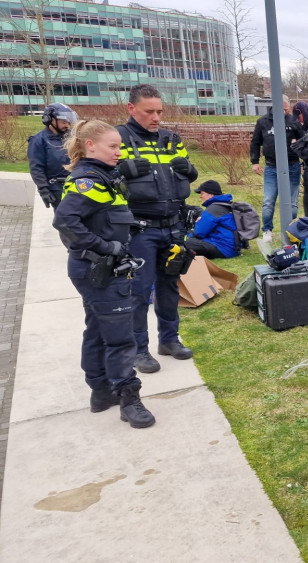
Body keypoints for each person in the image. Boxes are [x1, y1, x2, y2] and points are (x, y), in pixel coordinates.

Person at [52, 119, 155, 429]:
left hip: (93, 269)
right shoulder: (89, 179)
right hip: (100, 269)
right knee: (121, 339)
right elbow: (66, 221)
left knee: (97, 329)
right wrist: (107, 247)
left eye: (120, 146)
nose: (118, 152)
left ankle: (100, 392)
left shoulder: (100, 176)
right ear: (90, 146)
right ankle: (128, 399)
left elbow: (100, 216)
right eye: (113, 146)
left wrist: (126, 228)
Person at [116, 84, 199, 374]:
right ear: (131, 109)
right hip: (140, 229)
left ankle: (169, 340)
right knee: (138, 291)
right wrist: (121, 171)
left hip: (173, 226)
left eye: (159, 111)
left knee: (169, 286)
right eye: (149, 111)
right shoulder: (119, 137)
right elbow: (100, 173)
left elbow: (190, 169)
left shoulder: (170, 138)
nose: (156, 117)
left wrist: (190, 170)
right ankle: (139, 349)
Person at [251, 94, 303, 243]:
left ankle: (290, 230)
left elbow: (303, 138)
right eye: (285, 110)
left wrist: (297, 144)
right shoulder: (263, 122)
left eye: (288, 110)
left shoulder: (293, 121)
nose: (287, 112)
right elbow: (255, 142)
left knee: (293, 202)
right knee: (269, 200)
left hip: (292, 165)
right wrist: (255, 161)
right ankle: (267, 230)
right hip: (272, 167)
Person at [28, 103, 78, 211]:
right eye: (64, 122)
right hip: (57, 187)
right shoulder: (38, 140)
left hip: (76, 184)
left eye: (69, 122)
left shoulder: (72, 137)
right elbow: (36, 167)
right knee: (66, 221)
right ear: (50, 119)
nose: (67, 125)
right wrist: (43, 189)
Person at [185, 180, 240, 259]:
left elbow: (199, 232)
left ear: (210, 194)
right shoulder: (224, 205)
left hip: (224, 249)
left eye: (202, 193)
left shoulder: (213, 209)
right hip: (232, 247)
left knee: (186, 243)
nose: (201, 196)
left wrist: (190, 232)